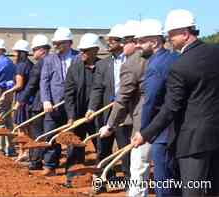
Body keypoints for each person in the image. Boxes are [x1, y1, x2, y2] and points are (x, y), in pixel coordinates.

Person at [132, 9, 219, 197]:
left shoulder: (180, 65)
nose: (169, 39)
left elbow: (170, 108)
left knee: (193, 192)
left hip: (193, 142)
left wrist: (145, 133)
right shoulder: (216, 52)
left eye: (171, 35)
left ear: (185, 34)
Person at [134, 19, 180, 197]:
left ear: (154, 42)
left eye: (140, 41)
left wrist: (144, 131)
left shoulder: (155, 66)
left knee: (164, 184)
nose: (137, 45)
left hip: (162, 135)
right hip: (178, 131)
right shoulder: (175, 57)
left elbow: (150, 102)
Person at [86, 24, 133, 182]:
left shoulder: (133, 61)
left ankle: (129, 183)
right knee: (103, 150)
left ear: (122, 42)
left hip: (126, 115)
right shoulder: (102, 65)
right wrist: (92, 108)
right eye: (108, 40)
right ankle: (102, 183)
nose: (108, 43)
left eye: (112, 40)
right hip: (106, 114)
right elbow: (97, 89)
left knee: (125, 150)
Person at [63, 33, 103, 187]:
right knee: (74, 147)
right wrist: (71, 116)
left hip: (97, 116)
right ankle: (72, 178)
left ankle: (100, 181)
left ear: (95, 50)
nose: (82, 53)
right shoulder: (74, 68)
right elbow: (69, 93)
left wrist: (95, 110)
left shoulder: (103, 66)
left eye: (85, 50)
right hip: (79, 116)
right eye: (81, 50)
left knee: (101, 148)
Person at [40, 27, 79, 176]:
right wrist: (46, 100)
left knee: (71, 136)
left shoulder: (78, 57)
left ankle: (72, 168)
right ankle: (50, 165)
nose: (56, 46)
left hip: (72, 105)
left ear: (69, 43)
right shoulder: (49, 60)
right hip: (53, 105)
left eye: (59, 43)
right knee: (50, 134)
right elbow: (44, 81)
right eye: (55, 43)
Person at [19, 34, 51, 170]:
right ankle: (44, 159)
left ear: (42, 50)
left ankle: (35, 161)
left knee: (37, 134)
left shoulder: (40, 65)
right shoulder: (54, 60)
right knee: (47, 133)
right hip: (51, 102)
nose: (33, 53)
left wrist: (21, 100)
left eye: (34, 50)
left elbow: (32, 85)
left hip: (39, 103)